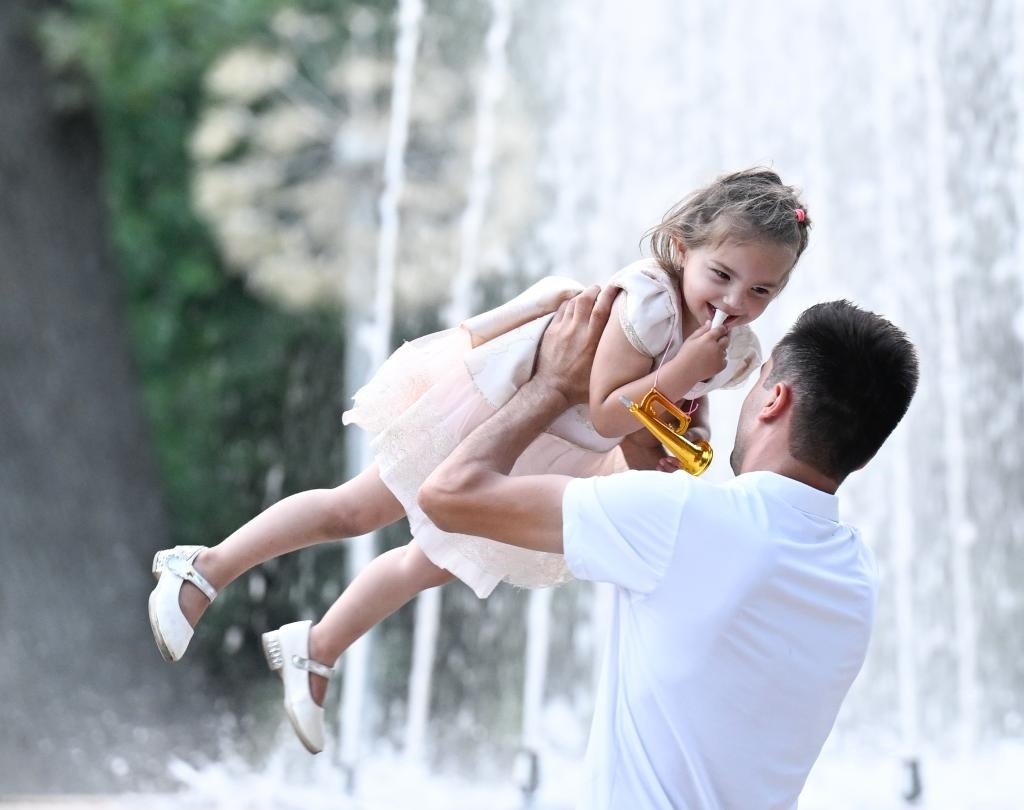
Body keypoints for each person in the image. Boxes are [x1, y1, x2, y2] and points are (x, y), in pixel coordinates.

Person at [147, 168, 811, 754]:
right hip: (503, 411)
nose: (734, 302)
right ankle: (204, 567)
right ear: (682, 248)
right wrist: (682, 373)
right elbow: (610, 410)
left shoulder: (733, 348)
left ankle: (316, 649)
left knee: (437, 562)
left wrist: (685, 430)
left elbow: (679, 405)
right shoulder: (648, 302)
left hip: (557, 450)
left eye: (761, 291)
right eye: (722, 276)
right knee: (360, 507)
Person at [418, 287, 920, 809]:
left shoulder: (681, 519)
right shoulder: (856, 576)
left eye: (759, 380)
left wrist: (553, 386)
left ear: (775, 399)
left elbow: (448, 495)